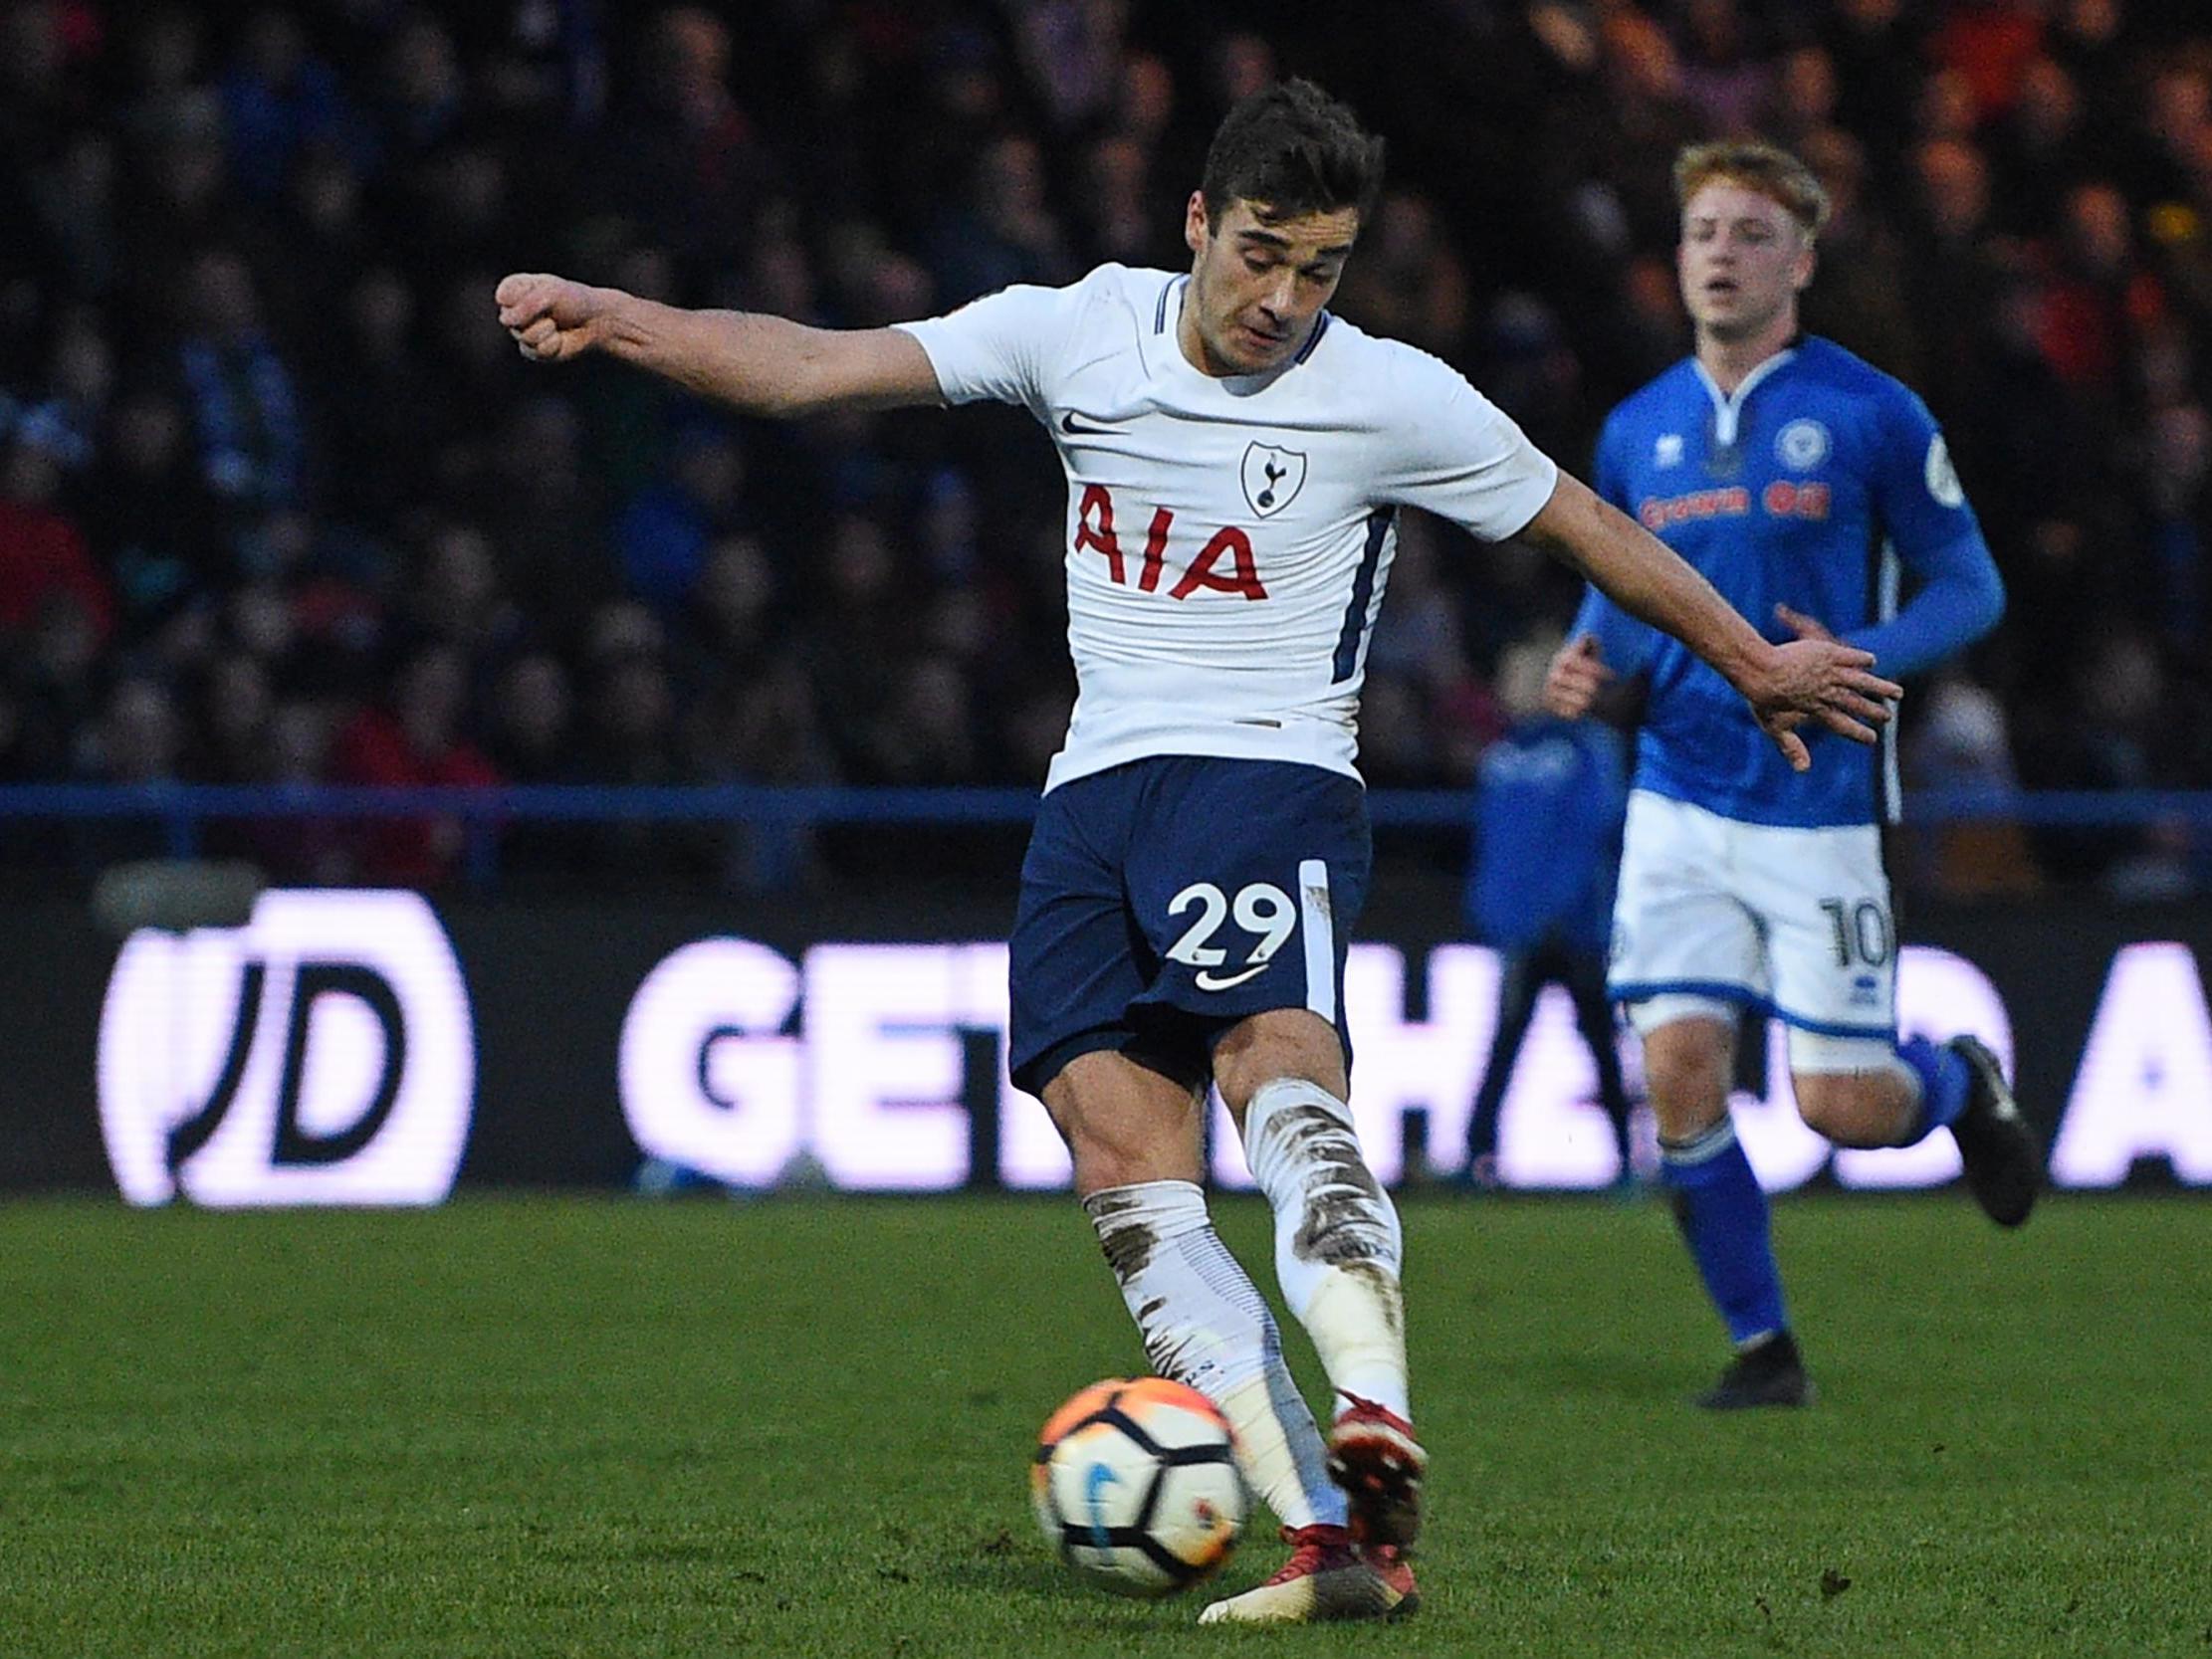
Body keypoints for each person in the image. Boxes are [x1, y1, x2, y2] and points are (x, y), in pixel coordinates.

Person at [495, 85, 1897, 1621]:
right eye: (1261, 257)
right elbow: (815, 368)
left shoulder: (1387, 396)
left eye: (1322, 270)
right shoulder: (1076, 328)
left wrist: (1752, 659)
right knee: (1123, 1174)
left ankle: (1373, 1416)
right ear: (1195, 226)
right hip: (1089, 801)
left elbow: (1584, 525)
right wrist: (623, 317)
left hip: (1266, 773)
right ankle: (1332, 1538)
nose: (1286, 301)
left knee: (1277, 1076)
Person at [1545, 139, 2039, 1413]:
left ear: (1801, 260)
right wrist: (1589, 651)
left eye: (1749, 233)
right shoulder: (1635, 428)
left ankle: (1957, 1081)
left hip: (1814, 797)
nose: (1719, 252)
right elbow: (1631, 597)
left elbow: (1970, 584)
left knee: (1840, 1104)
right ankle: (1763, 1348)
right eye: (1701, 230)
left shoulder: (1871, 412)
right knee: (1676, 1077)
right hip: (1674, 792)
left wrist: (1853, 653)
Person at [1458, 636, 1637, 1191]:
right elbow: (1494, 847)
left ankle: (1628, 1162)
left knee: (1599, 1045)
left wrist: (1561, 907)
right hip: (1525, 931)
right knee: (1506, 1044)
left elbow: (1597, 833)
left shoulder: (1591, 748)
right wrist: (1495, 912)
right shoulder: (1503, 757)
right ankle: (1478, 1158)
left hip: (1579, 930)